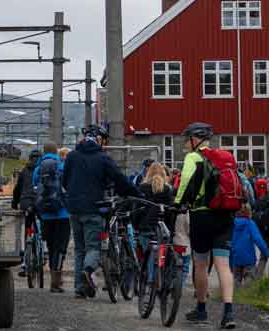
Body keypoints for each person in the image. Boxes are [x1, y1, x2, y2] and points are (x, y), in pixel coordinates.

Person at [62, 124, 138, 298]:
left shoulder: (72, 156)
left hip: (74, 209)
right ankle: (88, 271)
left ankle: (80, 289)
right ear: (99, 139)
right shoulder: (102, 157)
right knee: (94, 247)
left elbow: (64, 181)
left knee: (80, 249)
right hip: (93, 208)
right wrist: (136, 193)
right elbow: (120, 179)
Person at [175, 122, 239, 329]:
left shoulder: (193, 157)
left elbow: (185, 183)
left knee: (201, 263)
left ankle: (201, 309)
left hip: (202, 215)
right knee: (223, 264)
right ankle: (228, 313)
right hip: (225, 215)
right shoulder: (225, 157)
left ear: (195, 139)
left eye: (187, 139)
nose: (185, 143)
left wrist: (177, 204)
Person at [33, 143, 70, 292]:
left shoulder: (38, 169)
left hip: (45, 215)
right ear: (56, 152)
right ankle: (56, 281)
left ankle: (53, 278)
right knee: (61, 248)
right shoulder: (62, 166)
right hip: (62, 214)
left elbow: (35, 187)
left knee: (51, 246)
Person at [135, 162, 175, 280]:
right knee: (162, 256)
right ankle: (160, 280)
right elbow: (170, 211)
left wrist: (136, 226)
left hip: (145, 226)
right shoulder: (167, 189)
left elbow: (137, 209)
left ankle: (148, 279)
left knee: (145, 256)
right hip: (161, 227)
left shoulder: (142, 188)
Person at [13, 150, 42, 277]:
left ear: (30, 158)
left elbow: (17, 189)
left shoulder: (24, 171)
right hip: (39, 202)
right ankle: (43, 251)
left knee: (28, 228)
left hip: (25, 203)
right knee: (42, 225)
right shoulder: (43, 169)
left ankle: (25, 263)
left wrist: (15, 203)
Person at [231, 208, 269, 283]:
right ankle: (248, 290)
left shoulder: (232, 224)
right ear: (249, 213)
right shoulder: (250, 223)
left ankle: (236, 291)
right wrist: (265, 252)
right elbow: (258, 239)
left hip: (235, 257)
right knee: (249, 281)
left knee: (236, 281)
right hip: (249, 258)